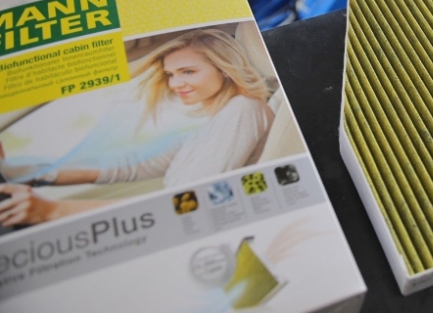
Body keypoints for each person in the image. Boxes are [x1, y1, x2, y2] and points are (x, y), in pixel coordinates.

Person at [0, 28, 274, 227]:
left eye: (188, 71)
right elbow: (137, 167)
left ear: (224, 69)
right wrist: (43, 174)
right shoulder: (213, 122)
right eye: (170, 74)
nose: (175, 84)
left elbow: (185, 204)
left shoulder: (243, 110)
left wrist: (50, 211)